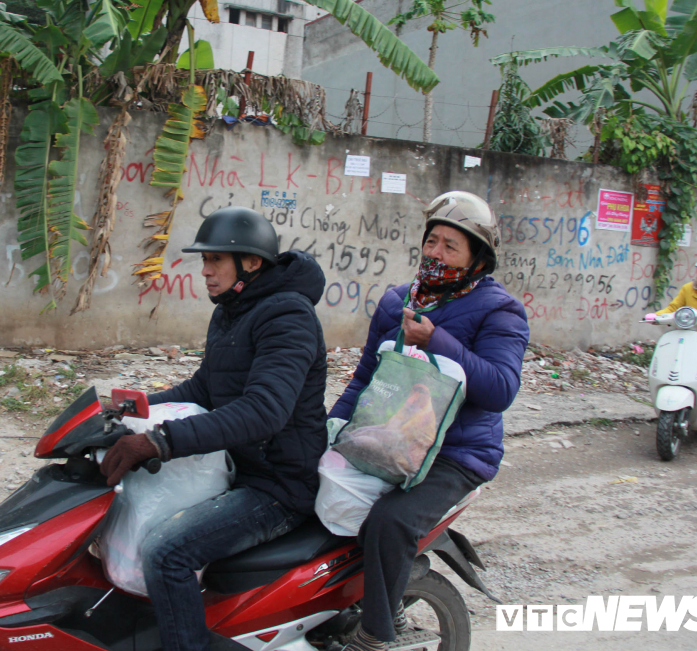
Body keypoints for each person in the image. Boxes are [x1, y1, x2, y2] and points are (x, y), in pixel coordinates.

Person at [100, 206, 329, 651]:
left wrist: (159, 441)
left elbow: (265, 412)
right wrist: (125, 408)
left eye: (214, 261)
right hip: (239, 468)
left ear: (252, 263)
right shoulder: (233, 310)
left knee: (166, 552)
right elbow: (204, 387)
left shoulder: (288, 317)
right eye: (203, 261)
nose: (204, 271)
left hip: (278, 486)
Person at [329, 191, 529, 651]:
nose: (435, 253)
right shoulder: (397, 300)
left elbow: (500, 389)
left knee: (390, 522)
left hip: (457, 454)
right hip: (388, 438)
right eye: (432, 241)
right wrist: (332, 431)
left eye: (450, 246)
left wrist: (437, 340)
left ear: (478, 259)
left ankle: (377, 634)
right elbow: (365, 378)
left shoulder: (500, 310)